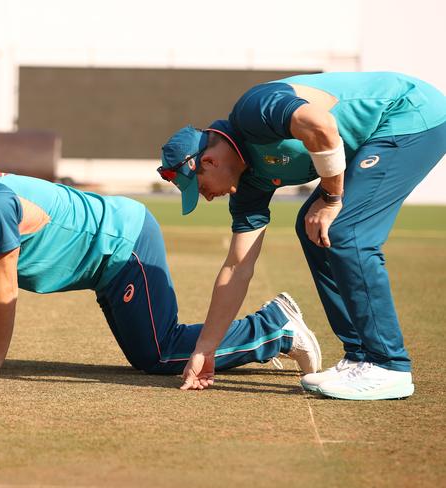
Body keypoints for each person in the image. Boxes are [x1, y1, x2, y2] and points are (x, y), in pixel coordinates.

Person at [0, 160, 321, 382]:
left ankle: (276, 329)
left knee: (159, 355)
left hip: (123, 243)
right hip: (104, 266)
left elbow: (4, 292)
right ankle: (269, 327)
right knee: (153, 353)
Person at [158, 71, 446, 399]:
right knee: (310, 226)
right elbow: (237, 267)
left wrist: (331, 198)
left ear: (208, 161)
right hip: (377, 133)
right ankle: (360, 357)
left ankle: (389, 365)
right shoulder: (249, 185)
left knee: (344, 229)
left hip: (410, 113)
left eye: (201, 190)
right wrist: (206, 349)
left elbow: (320, 126)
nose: (208, 198)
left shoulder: (253, 111)